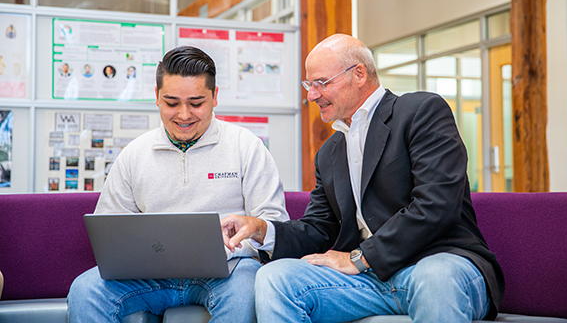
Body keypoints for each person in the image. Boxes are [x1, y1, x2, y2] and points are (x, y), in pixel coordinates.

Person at [221, 34, 504, 323]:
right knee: (275, 277)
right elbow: (319, 230)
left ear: (359, 74)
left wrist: (359, 258)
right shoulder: (329, 153)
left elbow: (436, 205)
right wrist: (261, 229)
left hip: (438, 262)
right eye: (309, 85)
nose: (312, 95)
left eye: (321, 83)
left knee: (435, 278)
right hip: (369, 283)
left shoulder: (421, 112)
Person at [67, 46, 289, 323]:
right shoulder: (135, 154)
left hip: (229, 271)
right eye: (172, 103)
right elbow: (109, 228)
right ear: (157, 98)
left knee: (247, 290)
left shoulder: (246, 146)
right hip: (148, 276)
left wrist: (244, 235)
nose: (184, 115)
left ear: (215, 96)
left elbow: (275, 223)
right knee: (85, 290)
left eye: (196, 103)